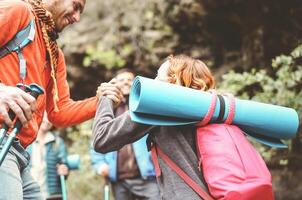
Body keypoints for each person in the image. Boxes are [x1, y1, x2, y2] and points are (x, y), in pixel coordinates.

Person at [0, 0, 123, 199]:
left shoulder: (54, 54)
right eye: (76, 6)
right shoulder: (19, 12)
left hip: (19, 152)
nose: (77, 18)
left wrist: (100, 101)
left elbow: (59, 112)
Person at [92, 55, 215, 199]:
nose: (154, 82)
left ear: (173, 80)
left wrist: (105, 98)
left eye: (159, 76)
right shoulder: (215, 105)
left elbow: (102, 139)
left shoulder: (159, 106)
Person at [90, 69, 160, 200]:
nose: (126, 83)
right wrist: (100, 165)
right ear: (115, 85)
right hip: (119, 180)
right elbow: (95, 140)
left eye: (129, 80)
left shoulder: (143, 106)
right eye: (121, 80)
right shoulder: (109, 109)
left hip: (146, 177)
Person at [27, 114, 69, 200]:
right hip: (29, 194)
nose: (47, 121)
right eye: (44, 117)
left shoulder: (57, 142)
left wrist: (64, 169)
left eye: (50, 118)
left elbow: (64, 166)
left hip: (52, 195)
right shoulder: (27, 141)